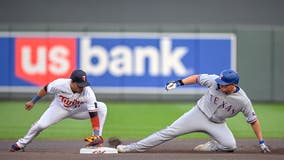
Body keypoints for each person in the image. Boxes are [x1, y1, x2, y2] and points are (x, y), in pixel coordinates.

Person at [117, 69, 271, 153]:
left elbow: (253, 121)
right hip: (197, 114)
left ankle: (212, 145)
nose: (220, 85)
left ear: (233, 85)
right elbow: (197, 78)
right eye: (220, 82)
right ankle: (131, 148)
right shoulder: (214, 81)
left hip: (217, 124)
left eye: (224, 84)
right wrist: (178, 83)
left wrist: (261, 142)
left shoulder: (243, 100)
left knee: (230, 146)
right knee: (169, 132)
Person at [9, 69, 107, 152]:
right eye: (79, 85)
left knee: (102, 107)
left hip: (78, 110)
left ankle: (96, 140)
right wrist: (33, 101)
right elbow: (45, 89)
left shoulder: (88, 92)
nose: (82, 88)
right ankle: (21, 144)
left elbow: (93, 114)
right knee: (40, 125)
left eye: (83, 85)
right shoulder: (60, 84)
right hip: (59, 108)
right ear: (72, 82)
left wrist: (96, 134)